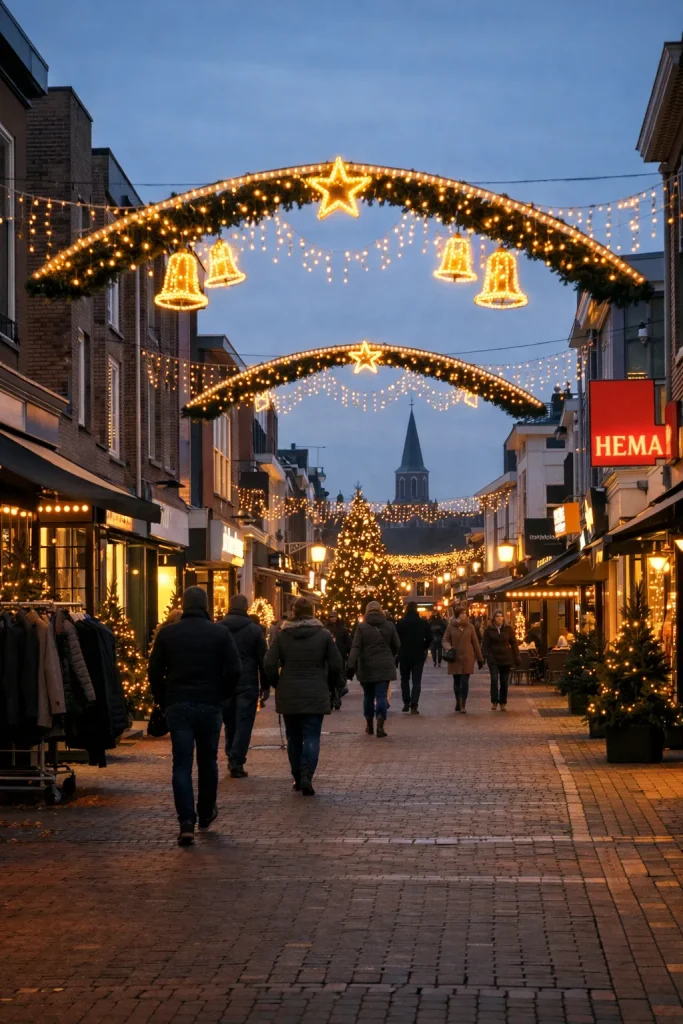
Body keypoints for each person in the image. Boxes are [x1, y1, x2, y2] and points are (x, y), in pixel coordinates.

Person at [148, 586, 241, 846]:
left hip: (178, 703)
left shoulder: (168, 634)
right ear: (206, 606)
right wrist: (223, 694)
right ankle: (206, 812)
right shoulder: (220, 633)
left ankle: (186, 820)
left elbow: (154, 671)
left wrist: (163, 699)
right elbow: (234, 669)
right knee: (208, 760)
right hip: (210, 703)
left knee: (181, 763)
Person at [264, 596, 342, 796]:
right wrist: (330, 685)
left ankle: (297, 776)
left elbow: (269, 663)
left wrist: (277, 683)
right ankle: (307, 774)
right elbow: (335, 664)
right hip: (316, 690)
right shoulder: (323, 635)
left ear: (293, 612)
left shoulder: (282, 635)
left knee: (293, 736)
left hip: (289, 690)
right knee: (312, 735)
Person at [221, 594, 268, 779]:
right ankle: (237, 760)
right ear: (246, 608)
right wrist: (265, 686)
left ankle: (231, 755)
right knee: (244, 723)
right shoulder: (255, 631)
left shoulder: (218, 628)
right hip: (247, 682)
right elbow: (262, 660)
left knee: (229, 721)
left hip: (224, 682)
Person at [347, 600, 400, 737]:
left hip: (366, 666)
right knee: (381, 695)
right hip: (384, 665)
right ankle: (380, 723)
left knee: (368, 696)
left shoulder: (361, 627)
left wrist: (351, 664)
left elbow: (356, 647)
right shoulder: (389, 625)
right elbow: (397, 644)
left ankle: (369, 724)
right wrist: (390, 655)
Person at [442, 607, 484, 713]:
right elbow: (445, 640)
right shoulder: (450, 627)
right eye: (461, 613)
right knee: (457, 681)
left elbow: (475, 643)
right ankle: (458, 701)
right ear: (457, 615)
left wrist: (480, 658)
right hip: (455, 657)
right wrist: (448, 648)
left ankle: (463, 704)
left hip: (467, 657)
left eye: (465, 613)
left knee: (465, 682)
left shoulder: (470, 627)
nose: (464, 615)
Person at [396, 601, 432, 713]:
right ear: (416, 609)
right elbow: (430, 638)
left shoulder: (401, 623)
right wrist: (424, 647)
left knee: (404, 679)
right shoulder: (422, 623)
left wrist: (399, 650)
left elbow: (396, 639)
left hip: (404, 654)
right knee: (417, 681)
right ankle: (414, 705)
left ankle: (406, 702)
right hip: (418, 655)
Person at [482, 609, 520, 712]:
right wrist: (483, 656)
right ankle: (494, 701)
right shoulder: (489, 630)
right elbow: (485, 644)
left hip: (505, 658)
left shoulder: (508, 629)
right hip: (493, 658)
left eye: (501, 616)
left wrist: (517, 655)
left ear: (504, 618)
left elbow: (514, 643)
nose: (499, 618)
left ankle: (503, 702)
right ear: (493, 619)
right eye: (497, 616)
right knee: (494, 680)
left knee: (504, 681)